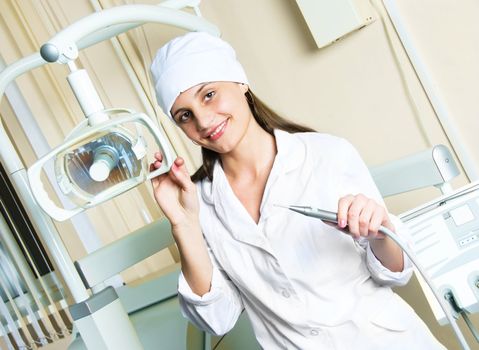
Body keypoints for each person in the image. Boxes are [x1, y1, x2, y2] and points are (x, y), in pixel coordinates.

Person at [149, 32, 445, 349]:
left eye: (209, 94)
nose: (204, 121)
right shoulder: (198, 203)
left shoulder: (326, 154)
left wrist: (382, 231)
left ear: (240, 82)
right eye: (185, 115)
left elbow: (395, 274)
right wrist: (184, 225)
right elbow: (217, 319)